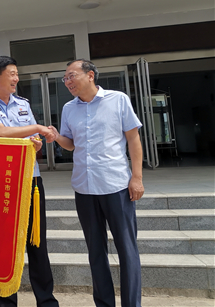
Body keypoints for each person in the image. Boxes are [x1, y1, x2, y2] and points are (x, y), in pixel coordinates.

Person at [50, 59, 144, 307]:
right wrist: (56, 136)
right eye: (65, 78)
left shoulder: (118, 100)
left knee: (127, 249)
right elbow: (71, 144)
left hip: (116, 186)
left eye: (72, 76)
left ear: (90, 75)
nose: (67, 82)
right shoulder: (69, 108)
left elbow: (133, 139)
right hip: (84, 188)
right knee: (95, 252)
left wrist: (136, 178)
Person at [0, 56, 59, 307]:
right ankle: (7, 303)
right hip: (0, 183)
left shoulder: (22, 104)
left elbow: (29, 137)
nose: (16, 79)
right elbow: (0, 133)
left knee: (37, 243)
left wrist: (36, 141)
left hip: (30, 180)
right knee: (3, 246)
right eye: (12, 74)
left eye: (17, 74)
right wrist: (37, 128)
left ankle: (47, 301)